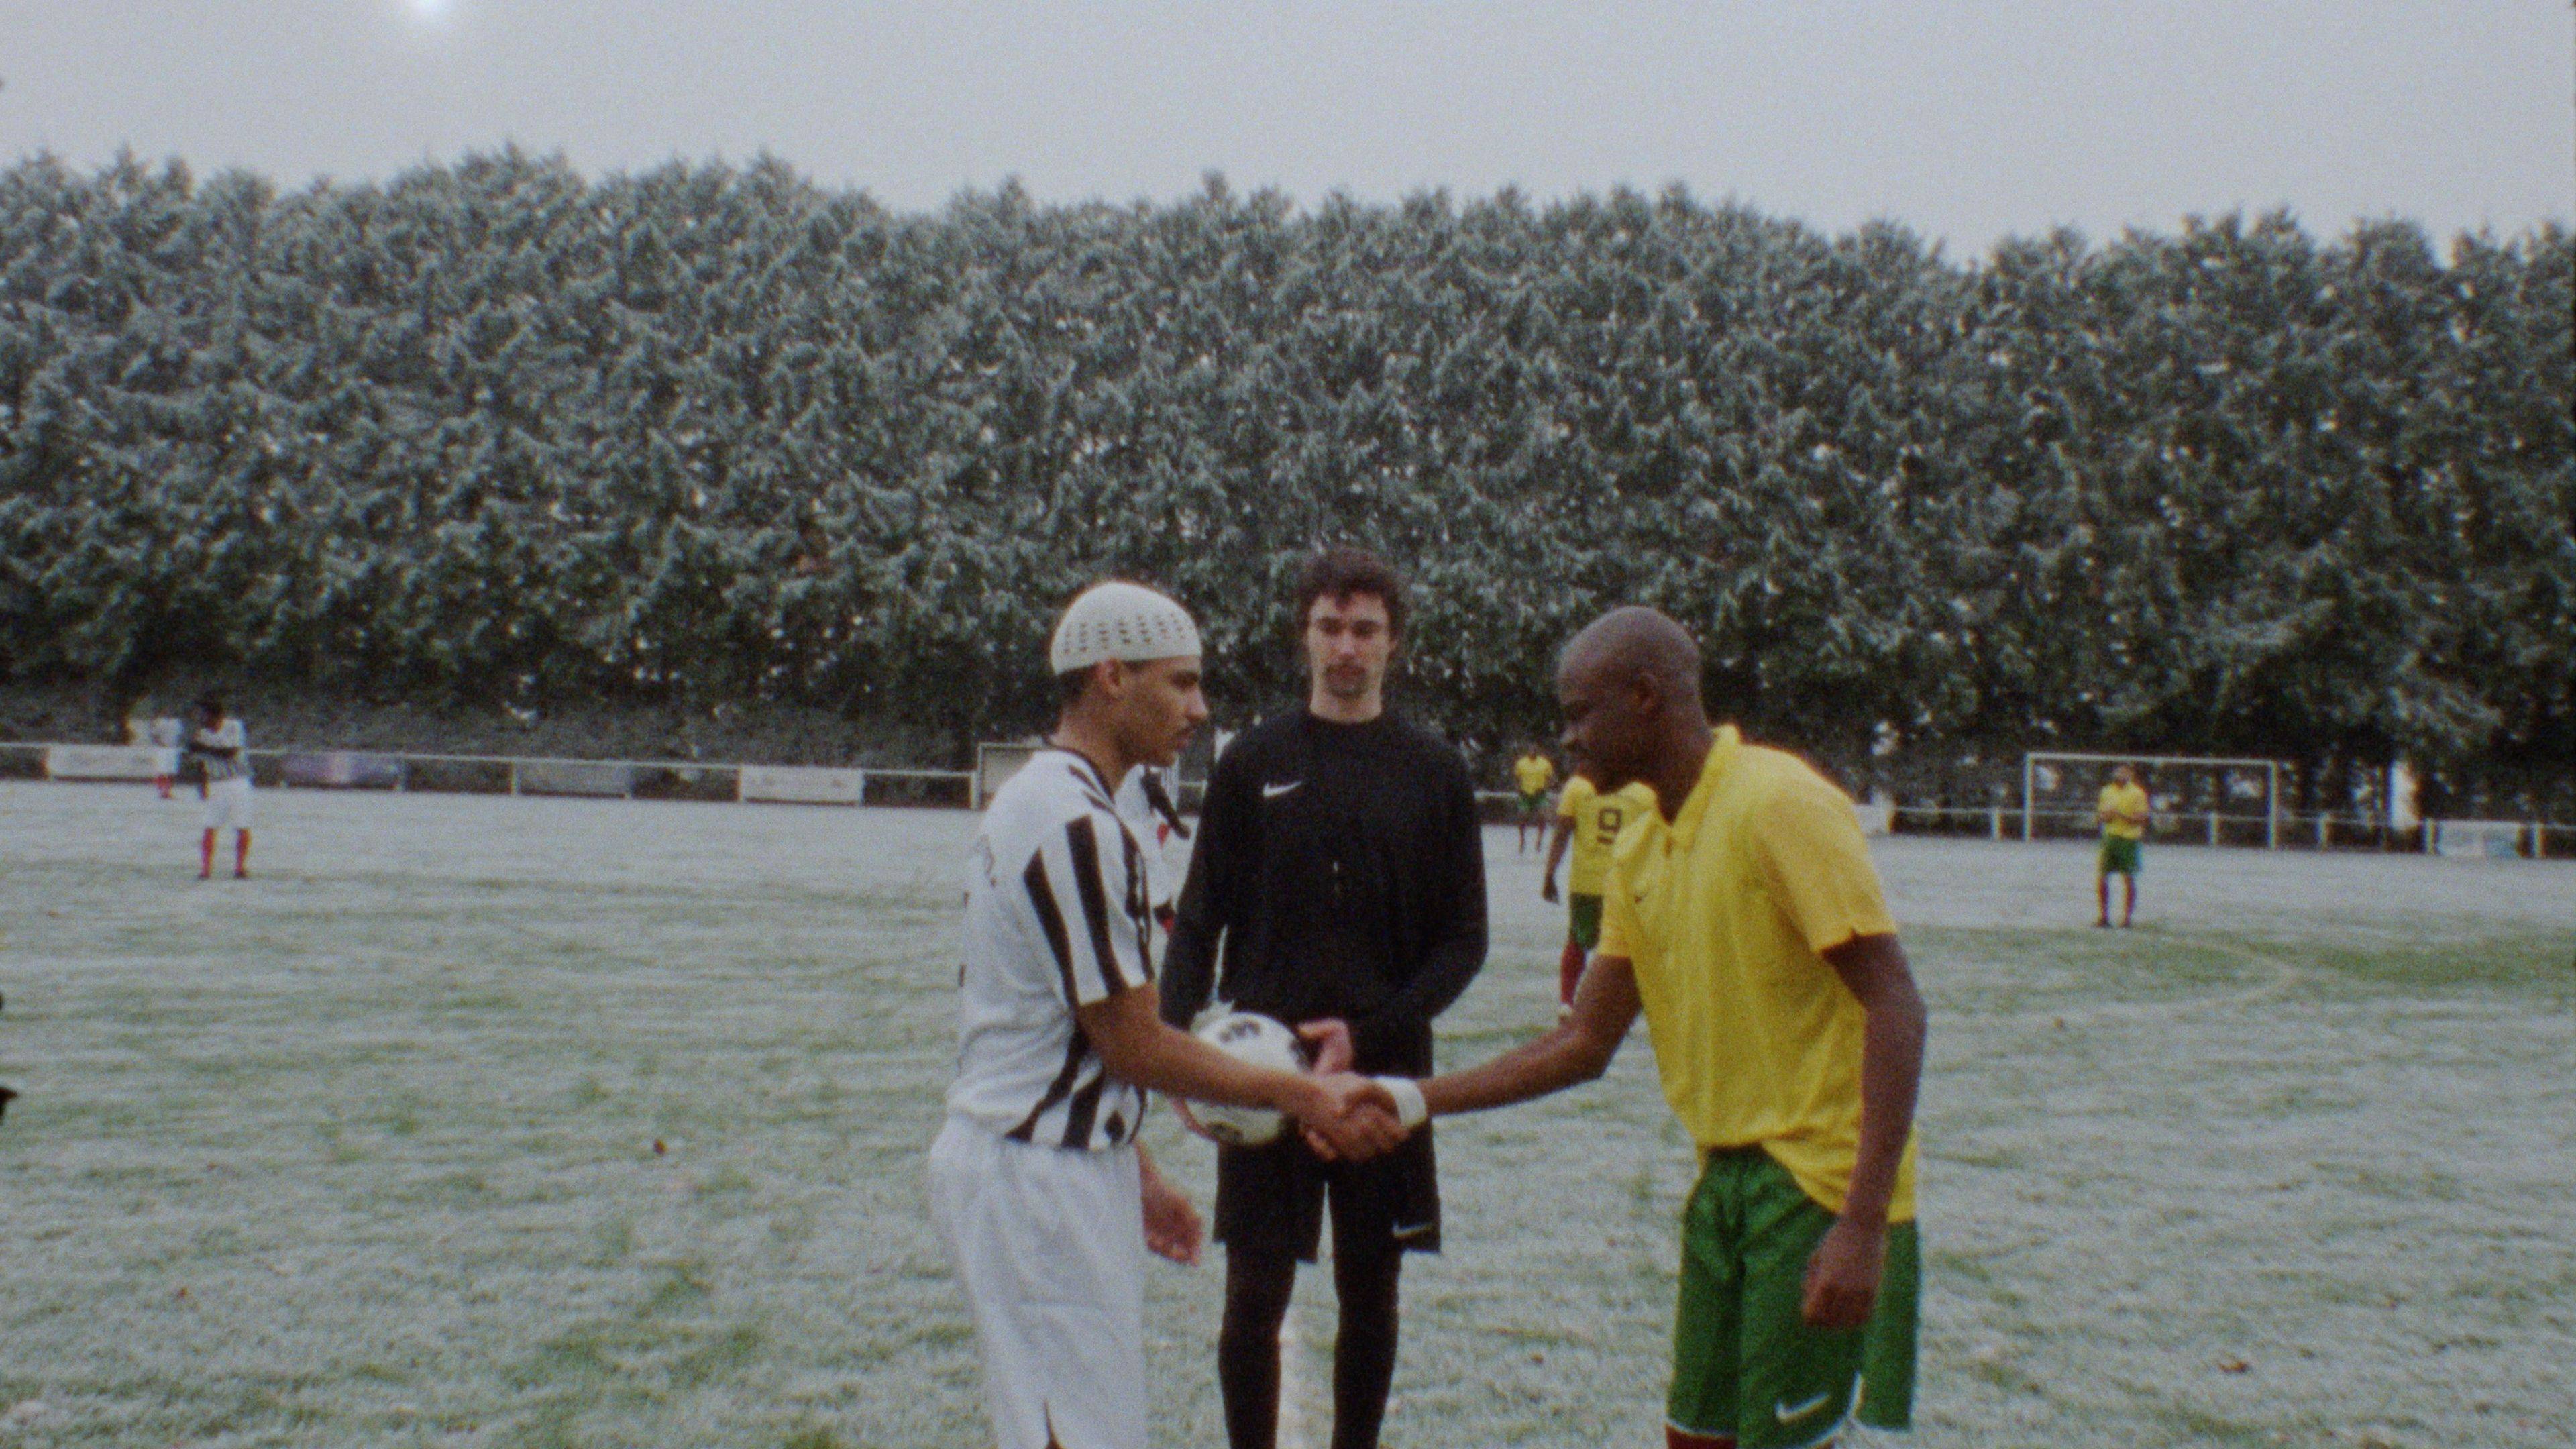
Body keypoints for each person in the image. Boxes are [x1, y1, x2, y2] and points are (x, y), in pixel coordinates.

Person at [1385, 607, 1927, 1449]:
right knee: (1694, 1436)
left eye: (1579, 714)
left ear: (1645, 697)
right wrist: (1409, 1101)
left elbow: (1897, 1005)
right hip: (1725, 1181)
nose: (1567, 740)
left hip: (1821, 1190)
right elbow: (1582, 1042)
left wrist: (1861, 1225)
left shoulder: (1779, 803)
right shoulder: (1640, 842)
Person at [928, 580, 1404, 1449]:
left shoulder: (1048, 800)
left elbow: (1074, 1033)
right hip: (1037, 1178)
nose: (1199, 707)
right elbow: (1134, 1043)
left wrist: (1137, 1170)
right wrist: (1304, 1096)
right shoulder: (1075, 823)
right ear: (1112, 676)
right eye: (1181, 682)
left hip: (1049, 1161)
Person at [1161, 545, 1488, 1449]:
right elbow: (1199, 918)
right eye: (1331, 626)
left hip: (1382, 1077)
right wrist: (1175, 1056)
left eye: (1366, 629)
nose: (1347, 646)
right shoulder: (1252, 761)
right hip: (1262, 1076)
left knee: (1371, 1291)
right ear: (1304, 635)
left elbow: (1465, 941)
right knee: (1252, 1295)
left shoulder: (1435, 770)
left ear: (1393, 642)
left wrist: (1372, 1031)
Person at [1540, 767, 1656, 1015]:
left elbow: (1561, 834)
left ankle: (1566, 1001)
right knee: (1624, 947)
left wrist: (1549, 874)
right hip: (1626, 883)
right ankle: (1616, 1005)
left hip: (1586, 882)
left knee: (1577, 940)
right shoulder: (1645, 794)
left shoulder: (1577, 787)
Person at [186, 693, 254, 879]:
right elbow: (199, 762)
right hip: (216, 782)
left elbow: (231, 752)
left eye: (203, 714)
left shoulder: (233, 726)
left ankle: (240, 867)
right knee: (210, 825)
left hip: (238, 781)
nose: (200, 718)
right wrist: (202, 784)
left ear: (214, 715)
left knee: (241, 825)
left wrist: (203, 748)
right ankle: (205, 869)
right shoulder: (201, 734)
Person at [2095, 763, 2148, 928]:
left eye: (2125, 772)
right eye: (2119, 772)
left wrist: (2120, 815)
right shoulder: (2107, 791)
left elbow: (2140, 819)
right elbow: (2101, 816)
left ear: (2130, 775)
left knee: (2128, 878)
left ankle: (2126, 918)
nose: (2121, 775)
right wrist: (2106, 816)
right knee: (2103, 877)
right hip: (2110, 838)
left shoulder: (2138, 793)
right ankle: (2104, 917)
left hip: (2128, 839)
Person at [1511, 744, 1558, 852]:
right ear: (1528, 752)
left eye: (1534, 751)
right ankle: (1522, 839)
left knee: (1542, 816)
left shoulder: (1545, 763)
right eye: (1530, 751)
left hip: (1540, 794)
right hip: (1525, 794)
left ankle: (1539, 839)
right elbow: (1516, 778)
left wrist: (1545, 787)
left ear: (1537, 752)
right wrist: (1518, 788)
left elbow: (1551, 778)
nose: (1532, 752)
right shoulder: (1521, 763)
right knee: (1523, 817)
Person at [148, 710, 184, 800]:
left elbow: (181, 736)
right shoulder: (160, 722)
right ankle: (162, 791)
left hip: (173, 748)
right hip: (162, 749)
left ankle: (167, 791)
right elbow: (154, 735)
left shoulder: (177, 723)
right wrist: (160, 743)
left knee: (171, 771)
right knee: (161, 771)